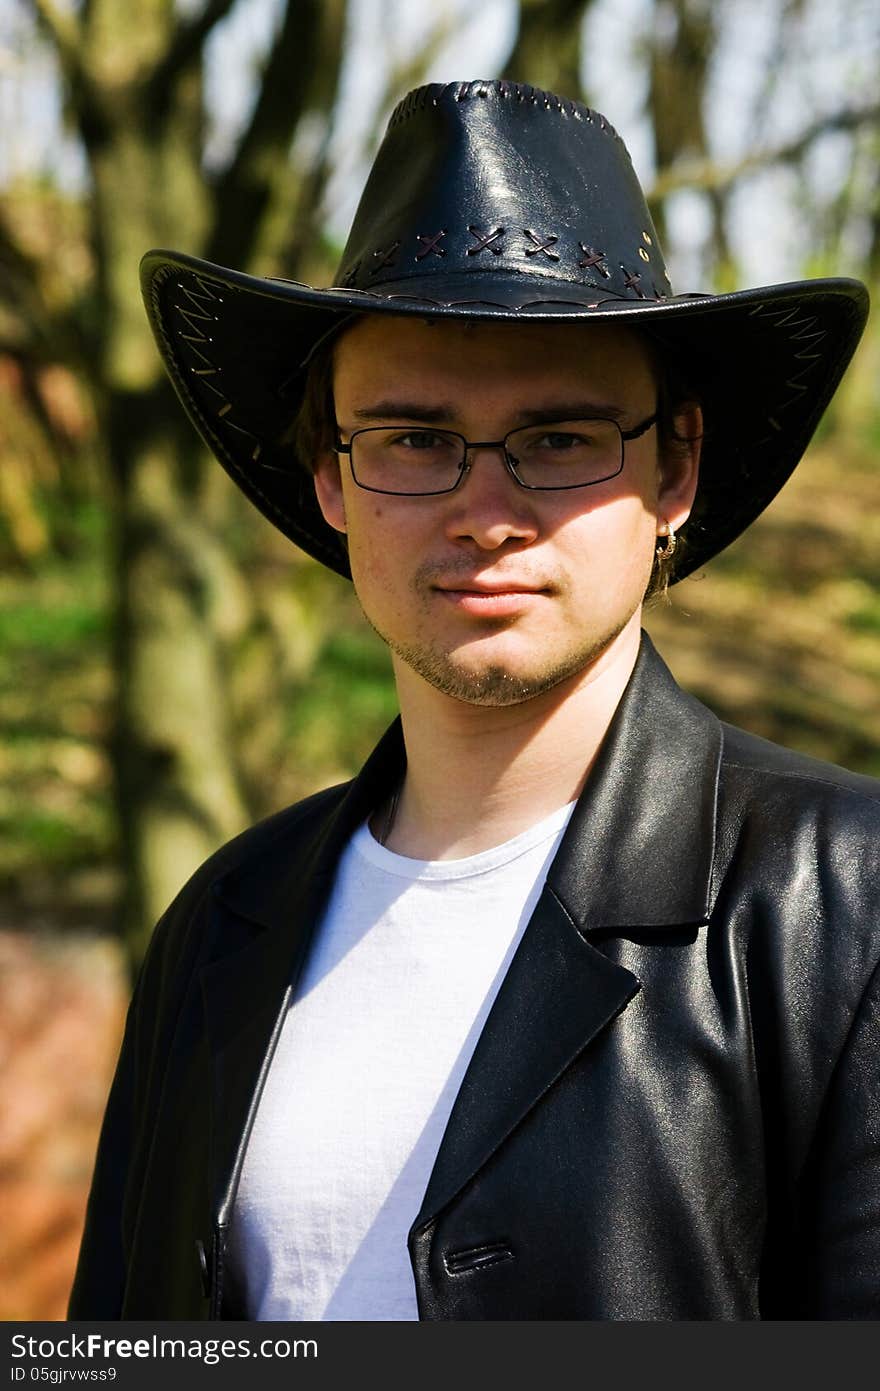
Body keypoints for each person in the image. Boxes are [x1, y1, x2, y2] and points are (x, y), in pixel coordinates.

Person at [70, 79, 878, 1321]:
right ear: (328, 475)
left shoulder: (842, 903)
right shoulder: (219, 925)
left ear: (675, 470)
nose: (486, 513)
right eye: (409, 438)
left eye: (559, 438)